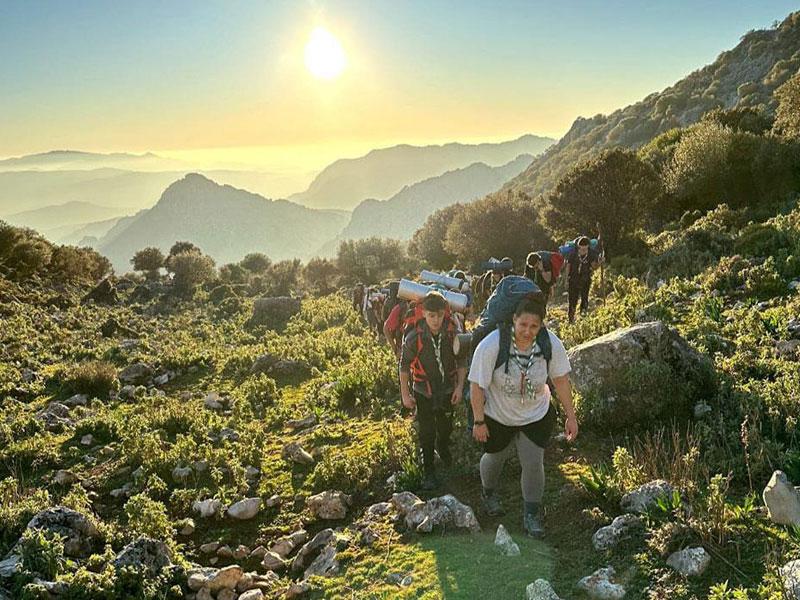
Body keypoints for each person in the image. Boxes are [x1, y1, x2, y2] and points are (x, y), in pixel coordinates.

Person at [469, 296, 578, 537]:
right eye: (523, 325)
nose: (528, 331)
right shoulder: (492, 345)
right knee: (495, 457)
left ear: (541, 326)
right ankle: (488, 493)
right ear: (513, 320)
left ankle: (531, 514)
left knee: (533, 461)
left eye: (534, 326)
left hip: (536, 414)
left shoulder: (549, 344)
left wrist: (571, 416)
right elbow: (476, 386)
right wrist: (479, 421)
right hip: (498, 415)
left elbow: (560, 380)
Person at [400, 291, 466, 490]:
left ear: (444, 314)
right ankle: (429, 471)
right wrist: (405, 394)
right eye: (431, 316)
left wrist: (459, 387)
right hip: (423, 390)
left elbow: (461, 361)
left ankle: (443, 445)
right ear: (424, 314)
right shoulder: (414, 338)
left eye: (438, 315)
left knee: (446, 426)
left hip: (447, 389)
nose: (435, 320)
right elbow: (404, 366)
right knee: (426, 432)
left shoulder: (452, 333)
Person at [564, 236, 600, 323]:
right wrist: (566, 280)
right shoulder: (573, 253)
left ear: (588, 246)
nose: (583, 250)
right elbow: (568, 266)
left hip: (585, 279)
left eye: (585, 248)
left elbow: (594, 266)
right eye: (581, 248)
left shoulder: (591, 254)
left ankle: (583, 318)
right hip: (573, 280)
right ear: (578, 246)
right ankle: (571, 319)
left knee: (584, 298)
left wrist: (600, 262)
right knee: (572, 300)